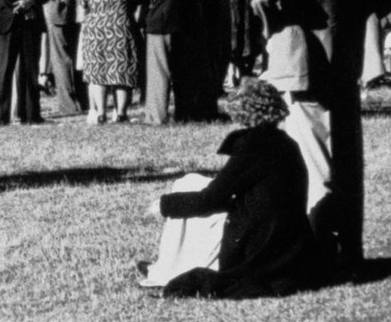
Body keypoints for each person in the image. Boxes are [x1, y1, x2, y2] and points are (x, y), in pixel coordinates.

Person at [250, 0, 391, 272]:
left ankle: (320, 253)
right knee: (348, 160)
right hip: (346, 63)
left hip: (303, 67)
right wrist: (359, 15)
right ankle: (350, 251)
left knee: (314, 161)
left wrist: (278, 26)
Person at [139, 79, 331, 299]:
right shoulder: (287, 143)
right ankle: (166, 266)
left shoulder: (252, 146)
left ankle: (166, 269)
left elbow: (210, 200)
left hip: (257, 247)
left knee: (186, 186)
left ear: (240, 112)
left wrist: (164, 204)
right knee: (192, 183)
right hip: (288, 247)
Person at [125, 0, 191, 126]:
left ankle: (156, 115)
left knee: (158, 71)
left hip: (159, 18)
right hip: (183, 17)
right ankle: (184, 112)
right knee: (182, 70)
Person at [78, 0, 137, 124]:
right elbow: (136, 1)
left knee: (98, 72)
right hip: (121, 27)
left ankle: (101, 112)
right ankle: (121, 113)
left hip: (95, 28)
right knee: (121, 72)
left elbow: (83, 4)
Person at [42, 0, 88, 118]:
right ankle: (84, 99)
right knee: (80, 58)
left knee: (61, 60)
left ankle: (68, 104)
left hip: (59, 11)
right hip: (81, 13)